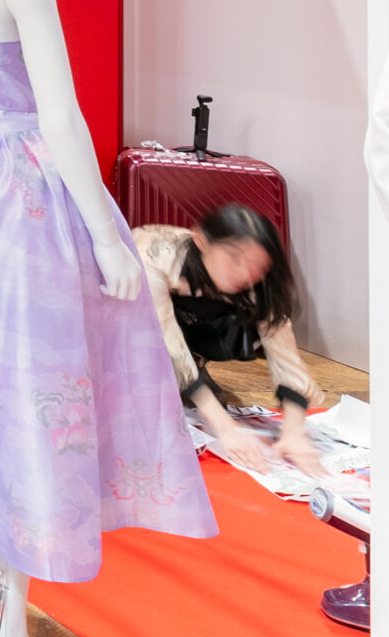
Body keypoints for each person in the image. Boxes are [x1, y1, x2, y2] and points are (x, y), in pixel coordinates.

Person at [137, 204, 324, 476]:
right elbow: (168, 343)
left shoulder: (258, 285)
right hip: (125, 328)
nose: (245, 273)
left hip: (191, 320)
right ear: (201, 240)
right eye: (233, 257)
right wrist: (226, 428)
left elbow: (288, 363)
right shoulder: (154, 256)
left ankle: (196, 370)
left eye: (258, 267)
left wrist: (294, 433)